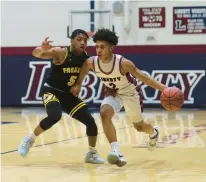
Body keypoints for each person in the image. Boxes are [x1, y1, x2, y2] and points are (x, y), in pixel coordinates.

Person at [70, 28, 167, 167]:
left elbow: (145, 78)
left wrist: (165, 89)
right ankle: (116, 150)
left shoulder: (123, 63)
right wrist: (78, 85)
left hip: (130, 93)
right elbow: (82, 74)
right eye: (96, 47)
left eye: (102, 47)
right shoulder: (91, 62)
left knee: (139, 127)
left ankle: (153, 132)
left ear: (111, 47)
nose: (98, 50)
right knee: (104, 113)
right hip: (113, 93)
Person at [18, 29, 104, 164]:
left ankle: (92, 153)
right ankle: (29, 139)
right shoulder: (61, 52)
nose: (83, 42)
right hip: (52, 91)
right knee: (55, 116)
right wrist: (41, 49)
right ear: (72, 41)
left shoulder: (85, 58)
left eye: (85, 40)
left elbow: (83, 74)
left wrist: (79, 85)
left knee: (91, 122)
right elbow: (36, 54)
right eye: (79, 39)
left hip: (68, 95)